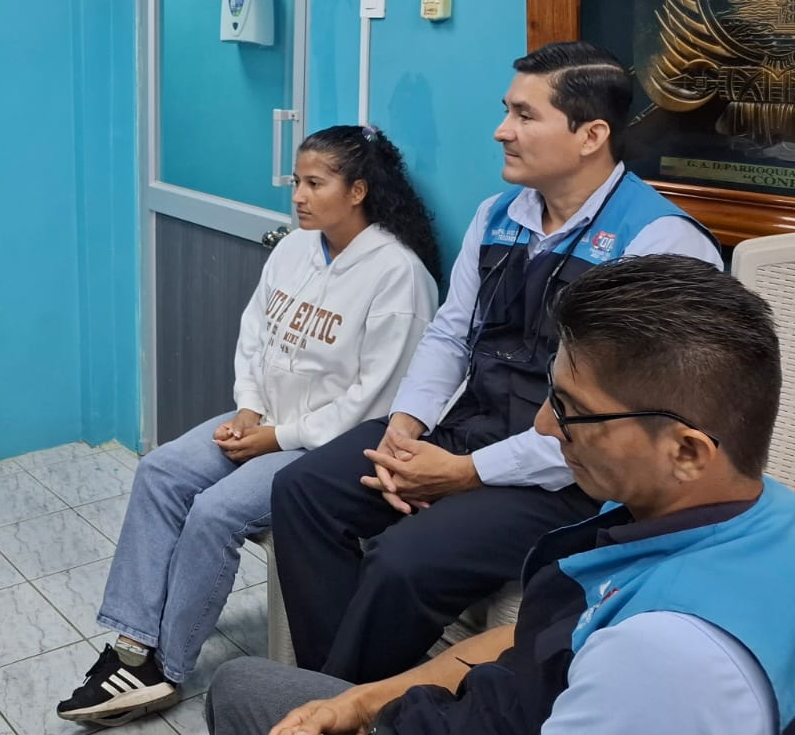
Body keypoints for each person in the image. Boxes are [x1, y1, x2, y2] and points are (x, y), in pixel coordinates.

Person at [268, 41, 722, 683]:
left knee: (402, 560)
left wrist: (463, 474)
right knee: (304, 490)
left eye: (524, 115)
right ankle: (336, 692)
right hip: (469, 427)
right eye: (506, 110)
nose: (501, 130)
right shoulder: (498, 215)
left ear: (591, 135)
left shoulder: (659, 242)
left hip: (571, 476)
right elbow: (450, 336)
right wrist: (407, 426)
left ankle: (338, 707)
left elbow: (619, 424)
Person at [206, 254, 795, 735]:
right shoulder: (739, 511)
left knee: (241, 687)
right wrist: (363, 702)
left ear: (686, 452)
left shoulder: (667, 662)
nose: (544, 425)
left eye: (573, 410)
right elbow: (534, 637)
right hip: (474, 704)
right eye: (552, 396)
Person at [56, 126, 442, 727]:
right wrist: (248, 409)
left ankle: (167, 668)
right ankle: (132, 645)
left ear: (358, 190)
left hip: (324, 448)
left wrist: (276, 438)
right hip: (263, 419)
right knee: (160, 471)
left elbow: (377, 400)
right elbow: (255, 335)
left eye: (315, 184)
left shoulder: (399, 275)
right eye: (297, 182)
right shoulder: (296, 248)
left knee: (216, 512)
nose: (299, 196)